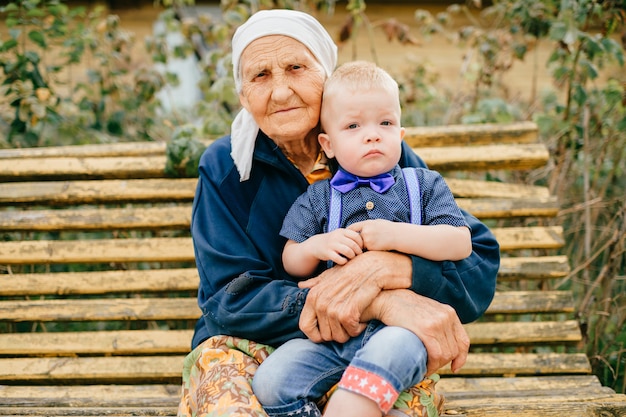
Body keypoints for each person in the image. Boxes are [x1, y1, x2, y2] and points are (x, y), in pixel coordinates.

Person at [178, 8, 500, 417]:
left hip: (373, 345)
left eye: (296, 68)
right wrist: (380, 302)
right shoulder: (226, 168)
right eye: (260, 76)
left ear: (326, 76)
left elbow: (476, 264)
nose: (279, 92)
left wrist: (388, 270)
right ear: (244, 96)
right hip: (249, 345)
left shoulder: (374, 149)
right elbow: (229, 298)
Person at [251, 61, 473, 417]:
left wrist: (396, 234)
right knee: (272, 381)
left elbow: (460, 242)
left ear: (400, 135)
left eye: (384, 123)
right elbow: (291, 259)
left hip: (401, 330)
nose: (372, 134)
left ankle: (352, 406)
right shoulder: (318, 197)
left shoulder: (425, 186)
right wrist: (316, 246)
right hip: (335, 334)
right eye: (353, 126)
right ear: (329, 144)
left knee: (384, 362)